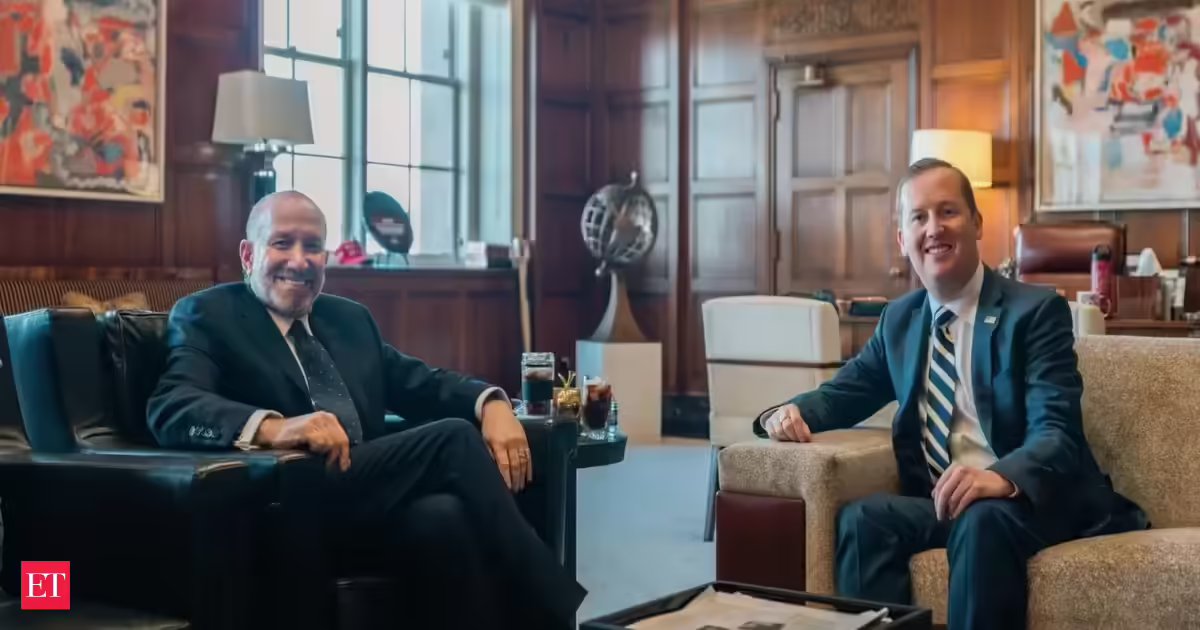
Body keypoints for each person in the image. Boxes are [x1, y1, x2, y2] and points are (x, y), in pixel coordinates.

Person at [147, 190, 585, 629]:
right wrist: (276, 428)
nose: (299, 260)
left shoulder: (348, 319)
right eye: (282, 243)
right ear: (248, 254)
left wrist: (491, 403)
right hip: (287, 497)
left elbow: (421, 383)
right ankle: (556, 613)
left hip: (368, 494)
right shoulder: (209, 315)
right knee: (453, 438)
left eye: (312, 246)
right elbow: (173, 405)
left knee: (441, 517)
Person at [753, 159, 1147, 630]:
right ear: (902, 240)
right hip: (946, 500)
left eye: (948, 212)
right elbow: (846, 391)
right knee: (864, 520)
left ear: (977, 223)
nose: (934, 228)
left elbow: (1056, 433)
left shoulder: (1035, 312)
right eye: (919, 217)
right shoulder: (900, 320)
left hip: (1034, 501)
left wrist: (999, 478)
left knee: (983, 520)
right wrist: (789, 412)